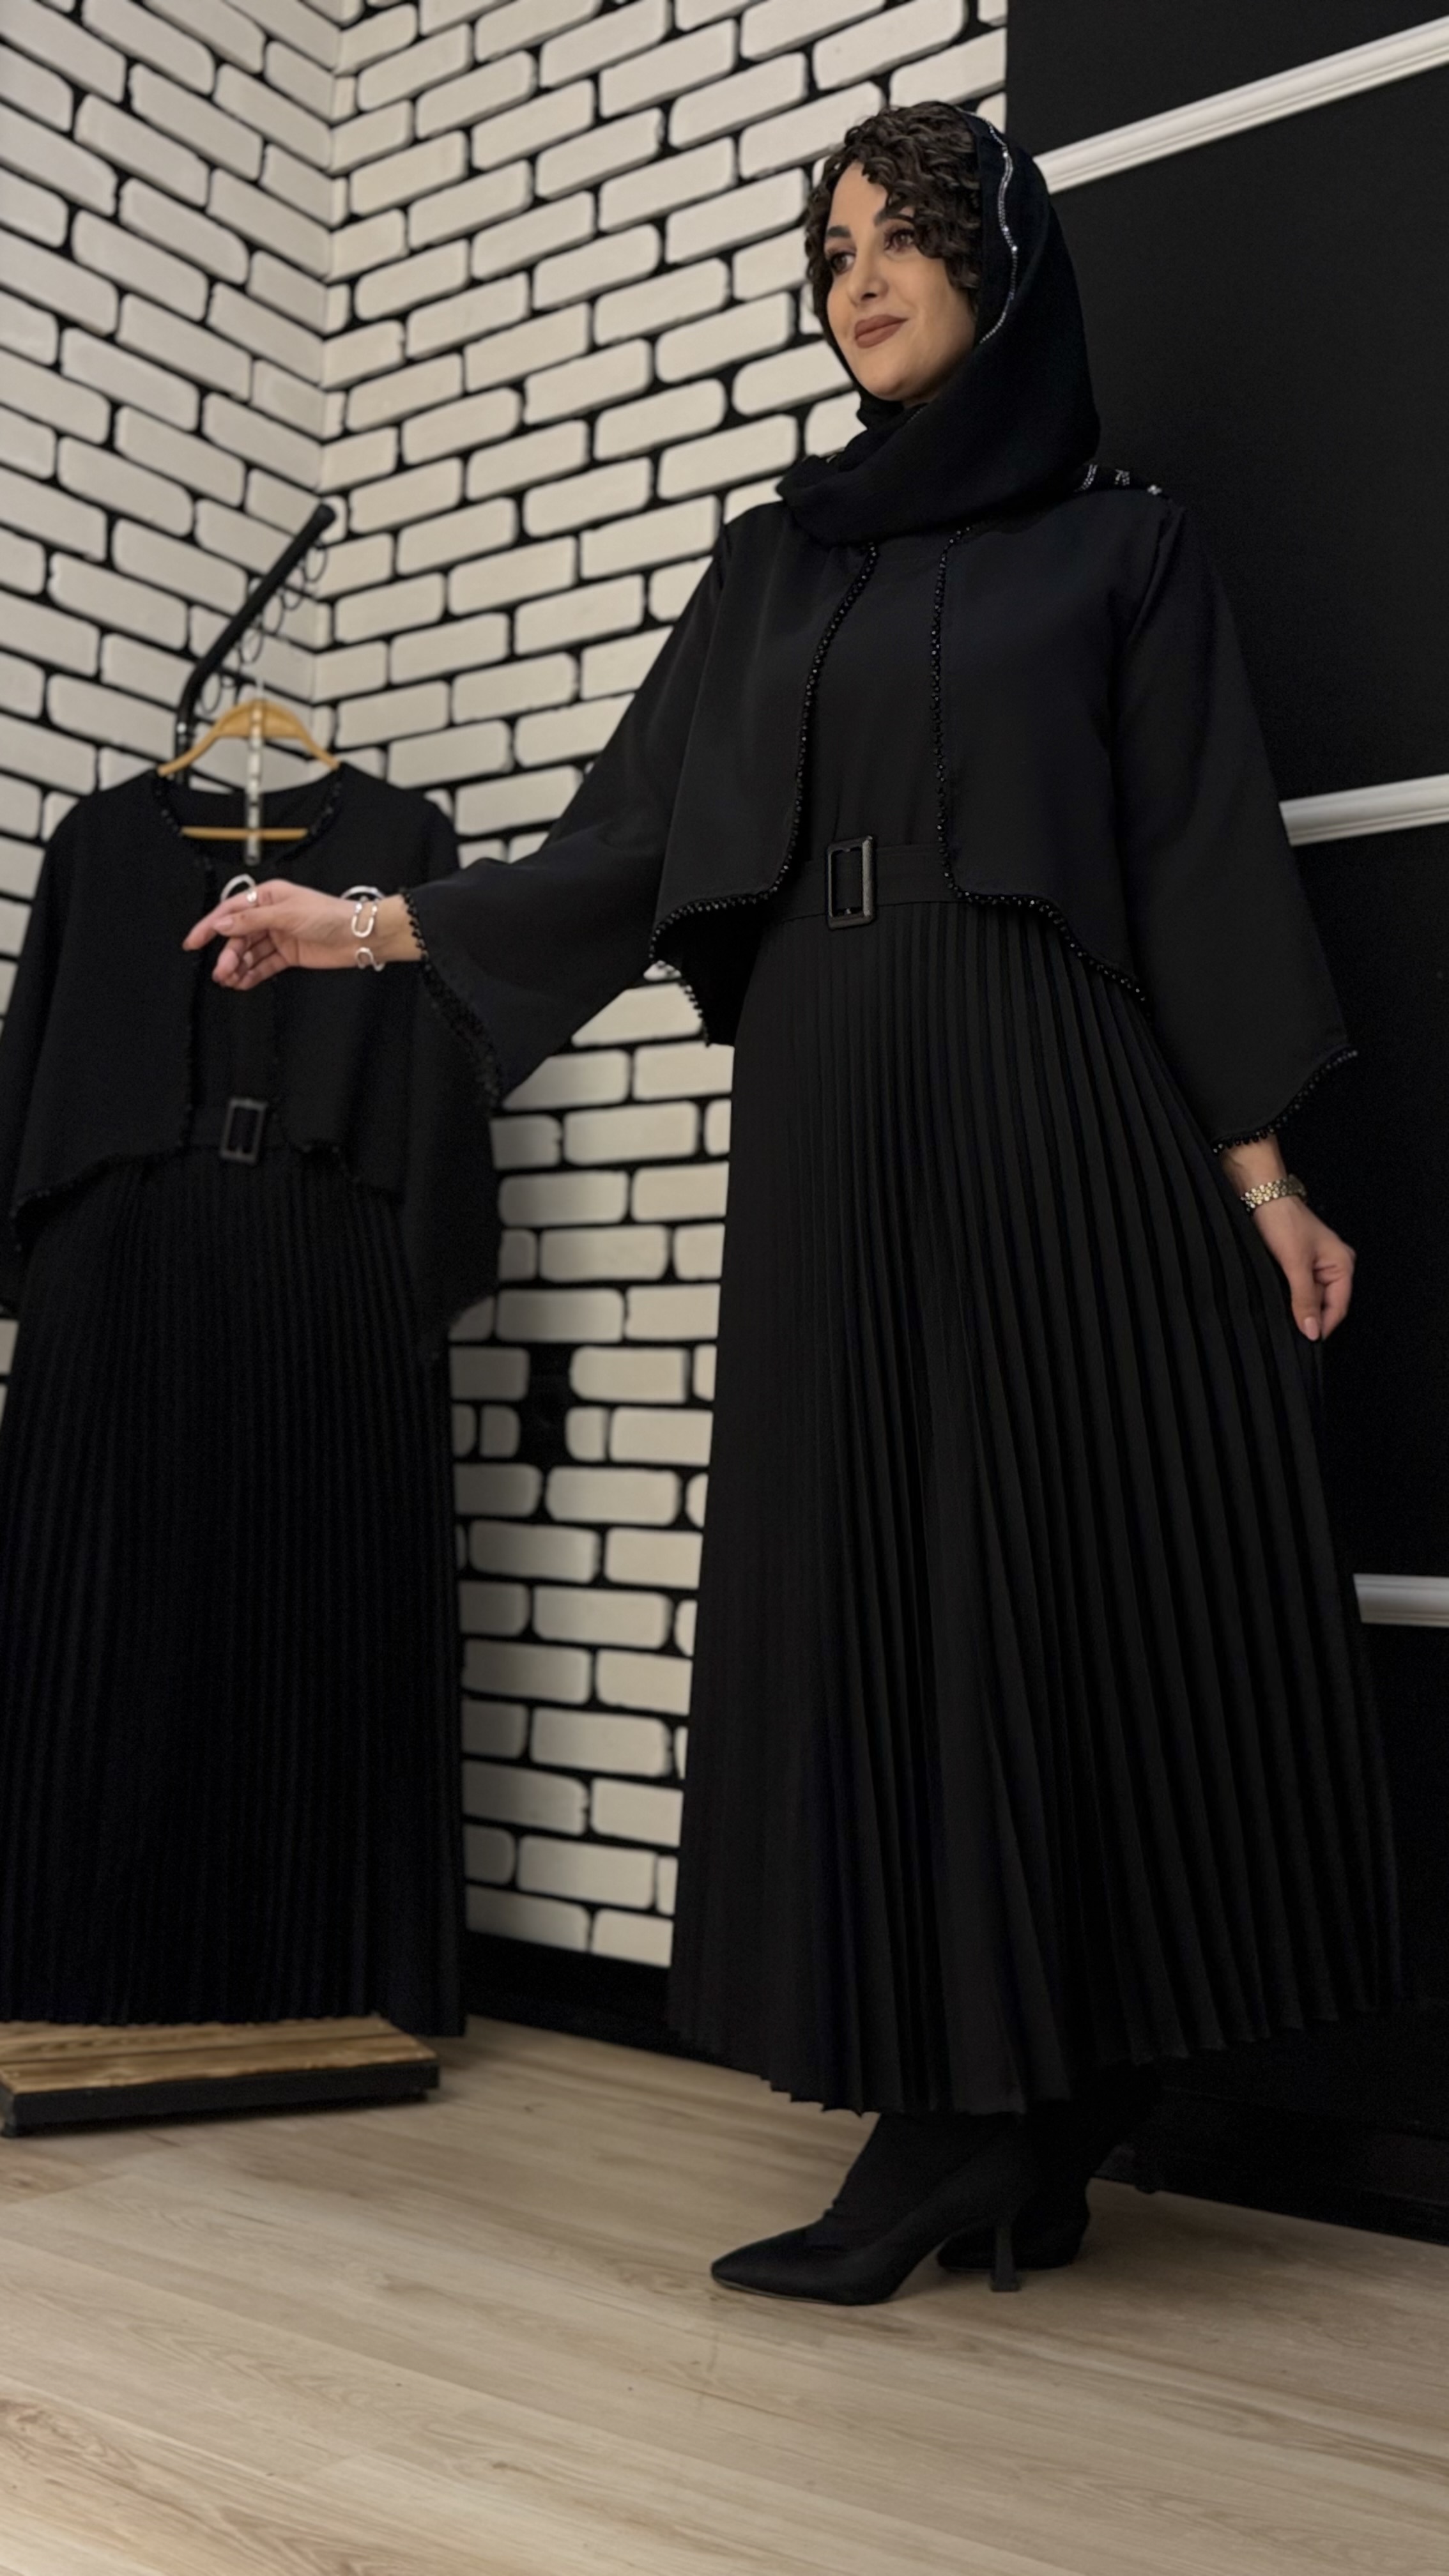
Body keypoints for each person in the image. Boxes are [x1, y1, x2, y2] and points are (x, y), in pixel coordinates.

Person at [185, 103, 1401, 2306]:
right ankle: (975, 2105)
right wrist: (363, 928)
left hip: (1050, 1079)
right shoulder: (777, 563)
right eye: (830, 247)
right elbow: (630, 838)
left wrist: (1260, 1173)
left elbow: (1197, 855)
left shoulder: (1117, 547)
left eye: (903, 236)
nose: (856, 279)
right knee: (874, 1565)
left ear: (999, 268)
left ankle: (1015, 2110)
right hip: (836, 1093)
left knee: (1045, 1569)